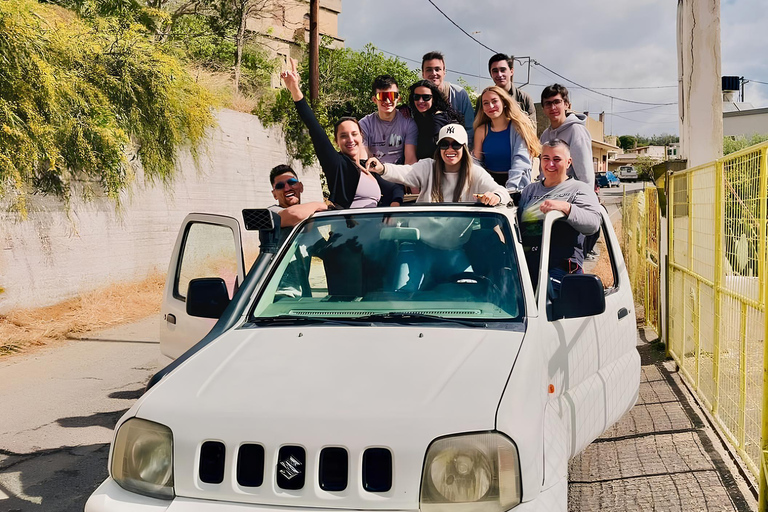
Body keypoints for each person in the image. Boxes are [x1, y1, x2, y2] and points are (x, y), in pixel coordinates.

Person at [280, 58, 404, 208]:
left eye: (354, 134)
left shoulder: (368, 167)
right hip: (349, 223)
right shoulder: (338, 165)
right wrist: (295, 89)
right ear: (336, 142)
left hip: (375, 223)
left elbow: (395, 188)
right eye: (343, 136)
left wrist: (395, 205)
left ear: (361, 136)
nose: (350, 139)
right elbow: (314, 128)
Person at [517, 139, 601, 292]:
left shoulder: (579, 189)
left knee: (546, 299)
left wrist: (566, 208)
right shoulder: (530, 190)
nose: (550, 164)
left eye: (557, 159)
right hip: (525, 263)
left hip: (560, 267)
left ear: (568, 162)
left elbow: (593, 224)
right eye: (546, 158)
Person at [368, 123, 510, 206]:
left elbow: (502, 192)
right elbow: (404, 173)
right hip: (422, 238)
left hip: (458, 242)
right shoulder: (428, 167)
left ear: (465, 148)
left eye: (456, 144)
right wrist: (382, 168)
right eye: (444, 144)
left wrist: (495, 196)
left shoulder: (474, 172)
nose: (450, 149)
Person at [472, 86, 541, 190]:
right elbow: (476, 162)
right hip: (489, 184)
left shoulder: (519, 127)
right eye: (486, 103)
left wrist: (510, 189)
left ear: (504, 102)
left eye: (494, 101)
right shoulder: (481, 130)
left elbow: (521, 161)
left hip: (516, 184)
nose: (491, 106)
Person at [539, 84, 595, 189]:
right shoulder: (545, 135)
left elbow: (585, 175)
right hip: (548, 193)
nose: (553, 107)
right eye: (548, 103)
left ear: (567, 105)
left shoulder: (576, 131)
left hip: (571, 194)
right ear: (543, 109)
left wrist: (587, 196)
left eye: (557, 102)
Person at [359, 75, 418, 165]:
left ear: (398, 98)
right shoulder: (364, 124)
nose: (387, 101)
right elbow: (363, 158)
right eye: (382, 96)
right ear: (374, 99)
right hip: (373, 171)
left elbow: (410, 161)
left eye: (392, 96)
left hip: (399, 172)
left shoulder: (408, 123)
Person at [422, 51, 475, 148]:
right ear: (423, 73)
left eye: (437, 69)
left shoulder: (459, 94)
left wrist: (464, 151)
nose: (434, 73)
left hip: (455, 150)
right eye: (429, 70)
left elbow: (470, 128)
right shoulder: (418, 95)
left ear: (444, 72)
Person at [406, 79, 462, 160]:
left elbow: (428, 151)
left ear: (434, 98)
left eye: (426, 97)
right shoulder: (419, 116)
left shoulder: (437, 120)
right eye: (416, 97)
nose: (420, 101)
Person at [477, 53, 536, 129]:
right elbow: (479, 127)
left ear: (511, 71)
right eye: (495, 71)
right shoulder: (483, 100)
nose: (499, 74)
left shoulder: (524, 98)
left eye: (503, 70)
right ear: (491, 74)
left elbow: (532, 130)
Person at [268, 164, 327, 233]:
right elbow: (296, 215)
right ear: (274, 195)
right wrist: (324, 205)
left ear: (301, 187)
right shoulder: (270, 213)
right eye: (280, 186)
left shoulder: (310, 211)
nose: (287, 188)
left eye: (292, 182)